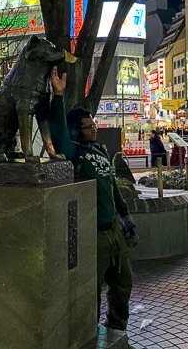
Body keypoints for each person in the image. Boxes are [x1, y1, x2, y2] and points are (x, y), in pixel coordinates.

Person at [49, 67, 137, 336]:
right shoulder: (74, 153)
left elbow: (112, 188)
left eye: (94, 125)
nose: (94, 130)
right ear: (77, 130)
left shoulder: (100, 151)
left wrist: (125, 216)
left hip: (114, 232)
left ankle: (116, 330)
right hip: (93, 236)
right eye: (89, 127)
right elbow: (58, 131)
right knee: (92, 290)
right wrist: (59, 96)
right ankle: (88, 335)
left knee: (123, 284)